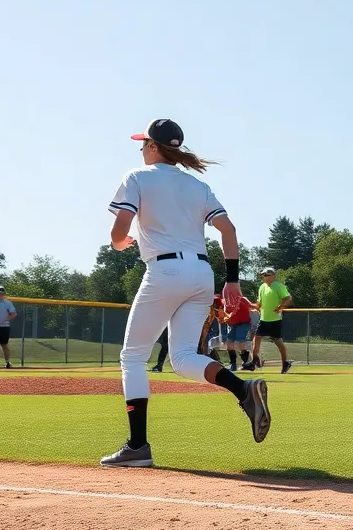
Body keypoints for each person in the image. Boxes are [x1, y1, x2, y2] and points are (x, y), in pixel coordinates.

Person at [102, 118, 270, 468]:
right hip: (201, 274)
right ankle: (243, 390)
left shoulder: (137, 177)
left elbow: (120, 229)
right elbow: (228, 229)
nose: (141, 149)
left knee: (132, 357)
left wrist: (119, 244)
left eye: (143, 143)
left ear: (152, 146)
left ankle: (137, 446)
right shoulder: (197, 186)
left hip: (165, 271)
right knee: (181, 358)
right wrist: (234, 280)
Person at [245, 267, 293, 374]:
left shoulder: (278, 286)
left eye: (266, 275)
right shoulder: (262, 287)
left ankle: (285, 363)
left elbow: (288, 298)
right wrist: (252, 305)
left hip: (275, 320)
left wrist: (281, 306)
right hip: (263, 319)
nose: (263, 277)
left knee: (278, 342)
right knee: (256, 339)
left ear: (272, 276)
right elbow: (259, 303)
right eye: (263, 275)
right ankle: (254, 361)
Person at [220, 291, 254, 372]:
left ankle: (246, 363)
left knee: (239, 342)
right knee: (229, 343)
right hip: (232, 324)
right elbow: (225, 314)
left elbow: (251, 306)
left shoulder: (243, 299)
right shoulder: (226, 302)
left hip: (244, 323)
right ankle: (233, 364)